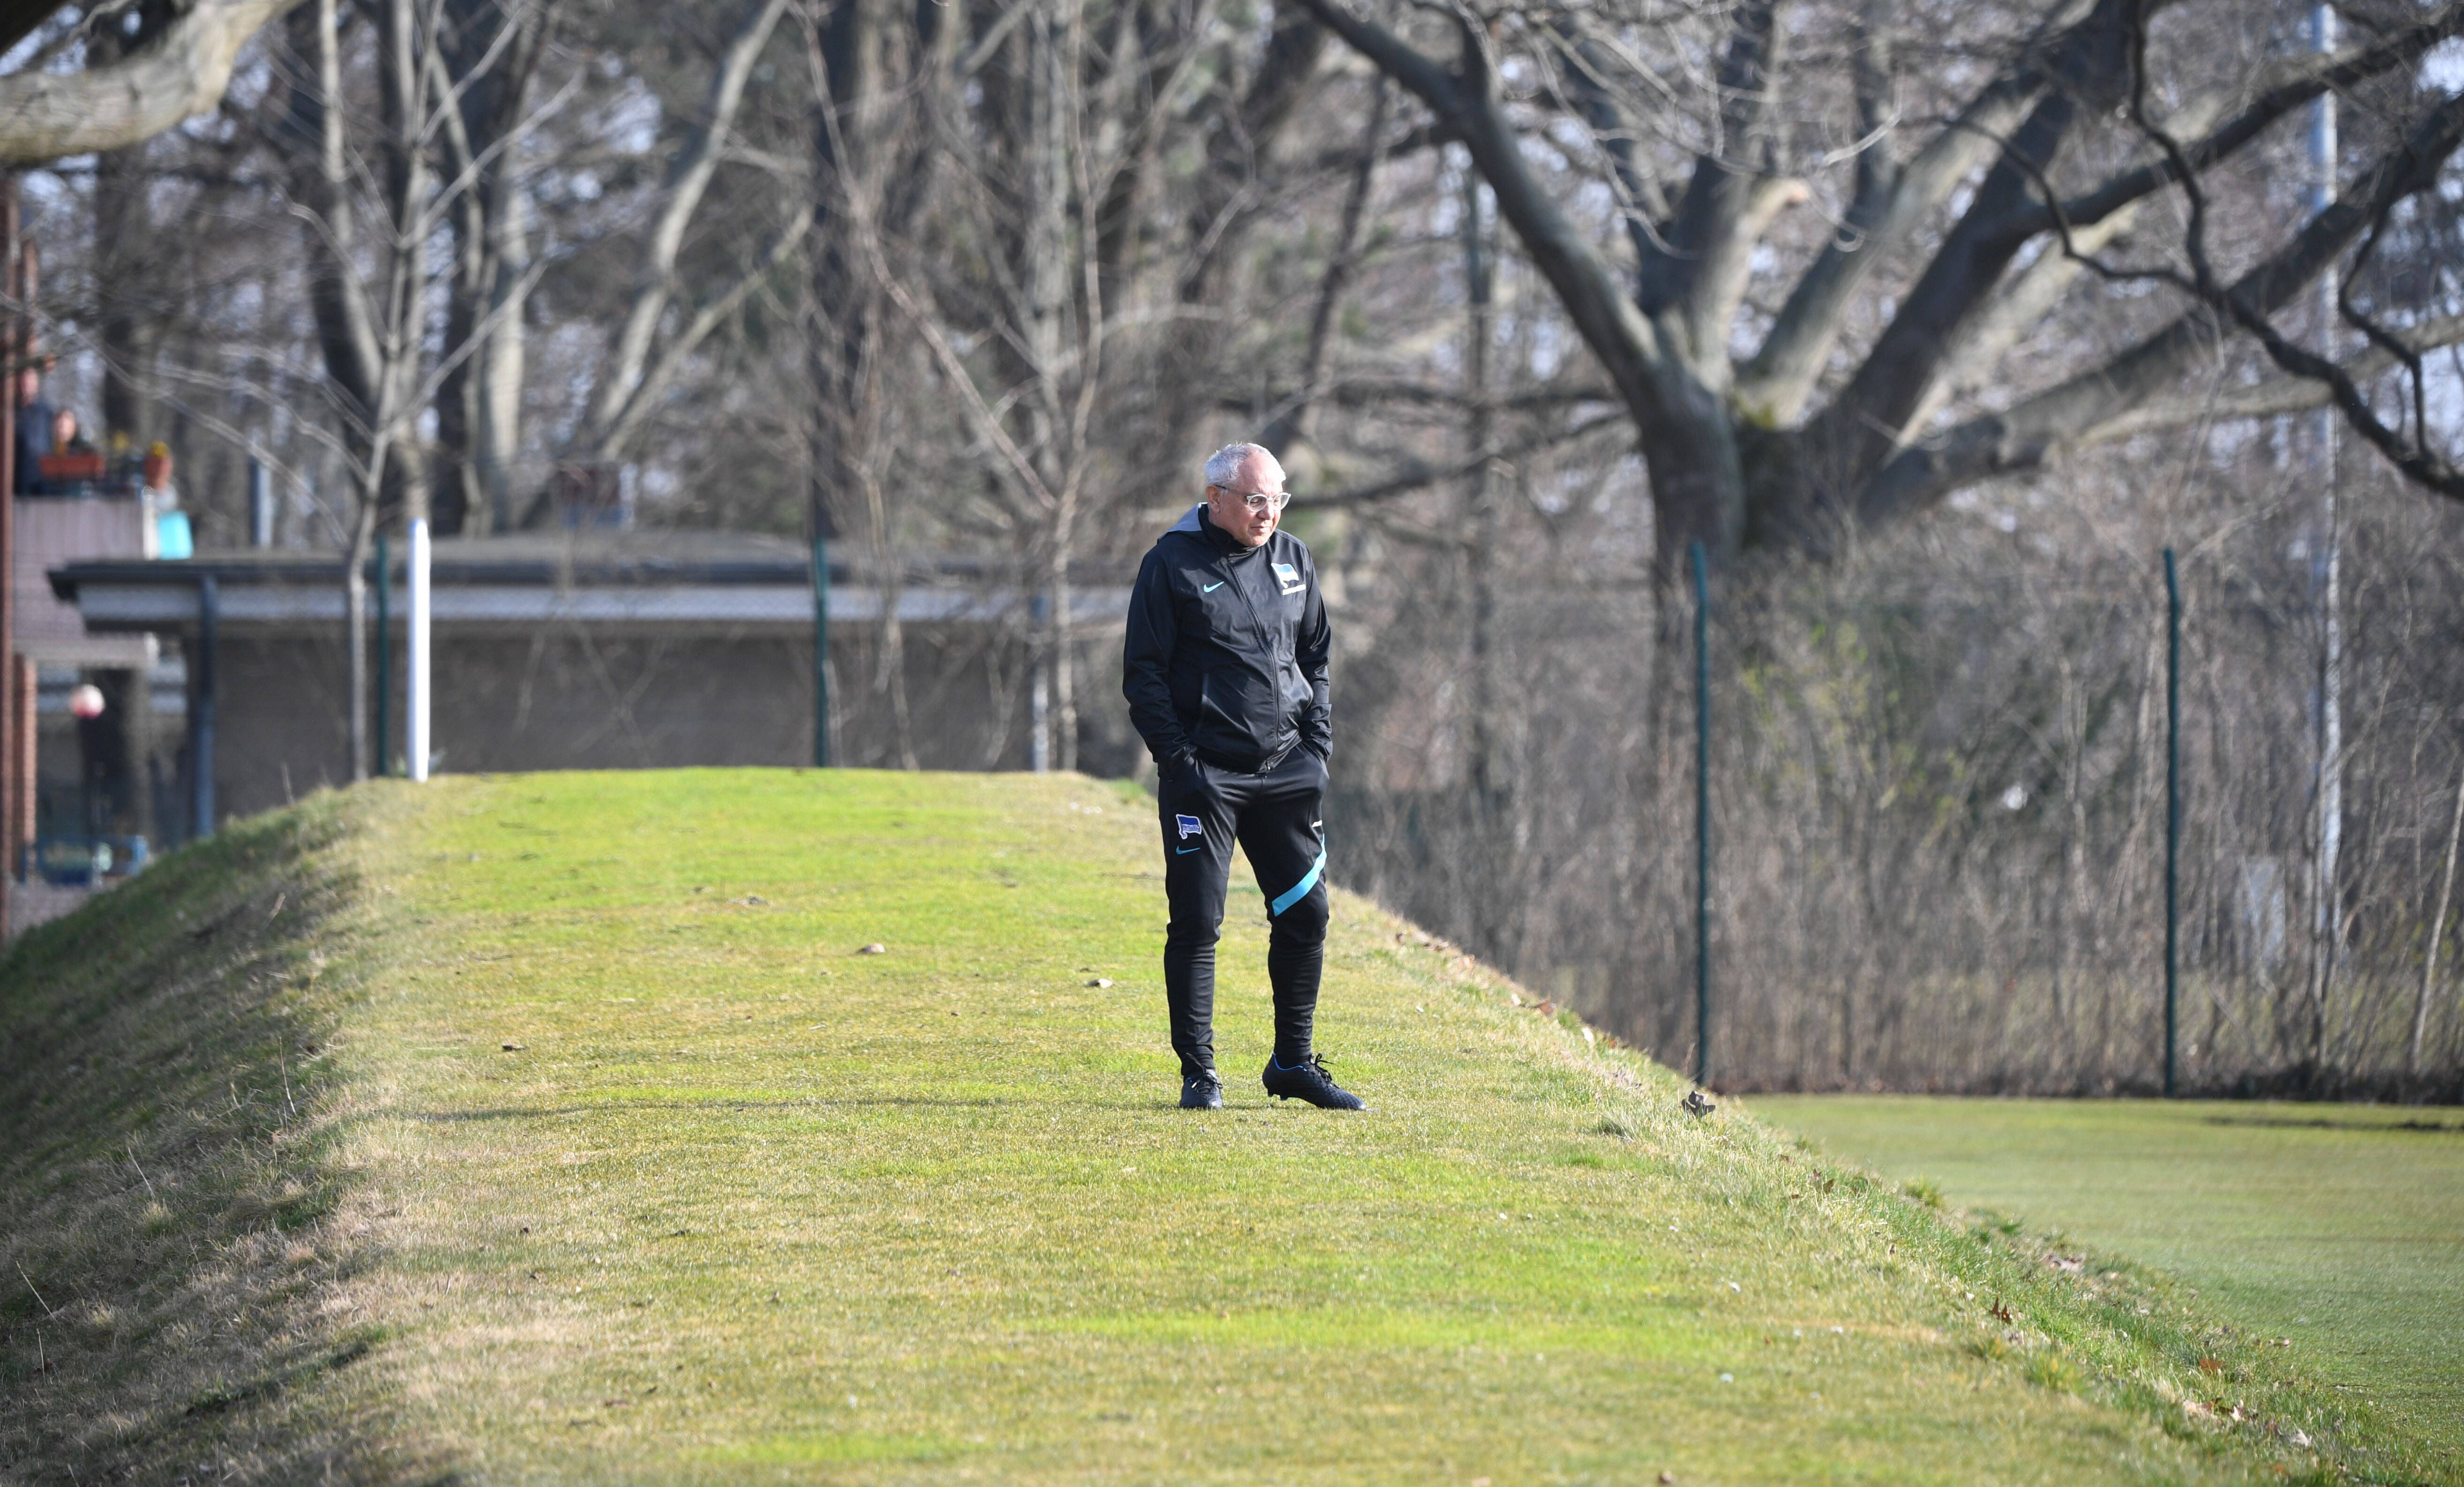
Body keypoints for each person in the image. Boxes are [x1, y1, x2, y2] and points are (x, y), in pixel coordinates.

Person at [1122, 442, 1362, 1112]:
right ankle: (1200, 1074)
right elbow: (1143, 677)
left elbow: (1315, 653)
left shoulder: (1294, 559)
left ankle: (1292, 1064)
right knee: (1198, 922)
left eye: (1278, 499)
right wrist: (1181, 764)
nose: (1269, 513)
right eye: (1256, 500)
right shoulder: (1170, 564)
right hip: (1206, 781)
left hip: (1288, 773)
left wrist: (1317, 745)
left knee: (1306, 915)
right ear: (1216, 499)